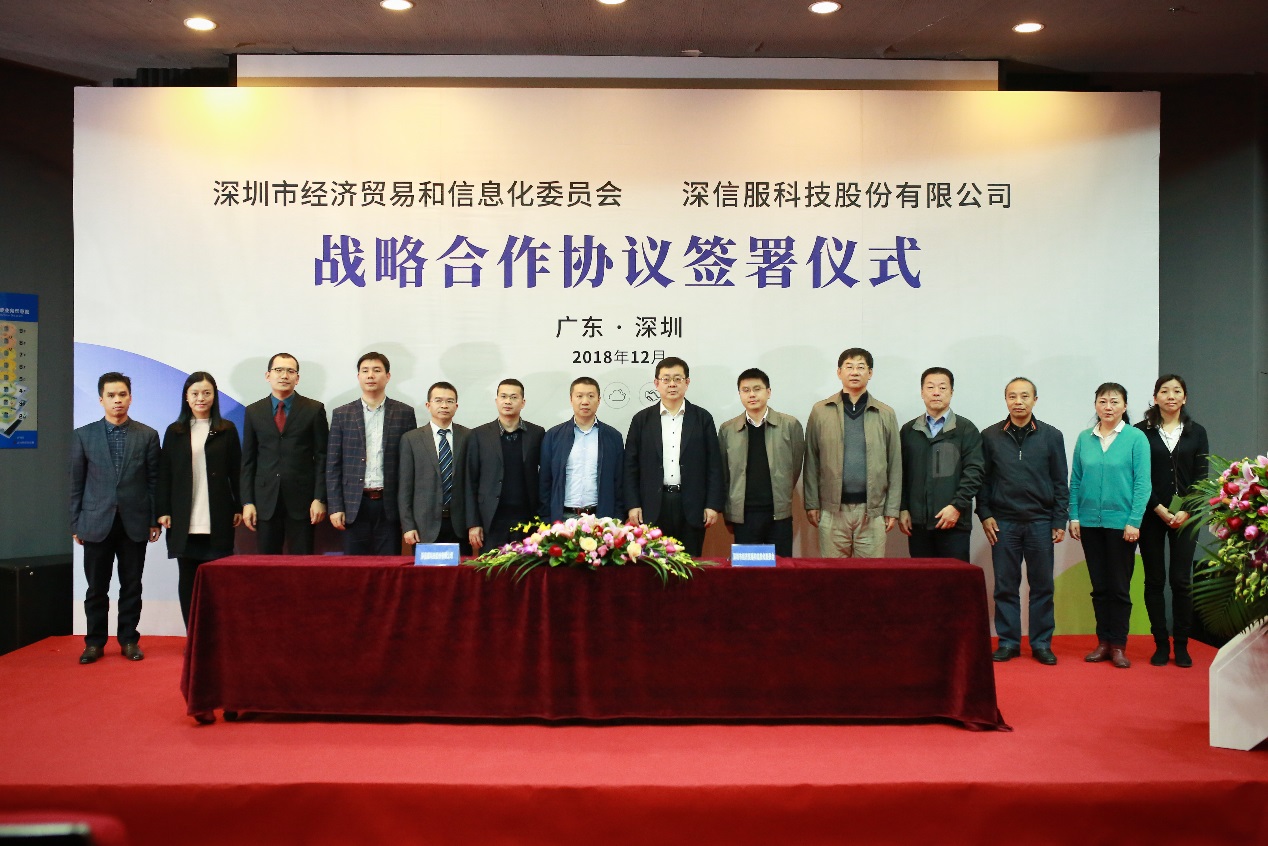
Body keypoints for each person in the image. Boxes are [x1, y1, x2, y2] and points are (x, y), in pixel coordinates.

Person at [69, 372, 161, 664]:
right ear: (101, 400)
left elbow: (154, 481)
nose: (117, 400)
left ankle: (129, 640)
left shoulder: (147, 435)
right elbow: (76, 483)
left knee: (131, 586)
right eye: (111, 395)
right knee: (96, 588)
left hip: (135, 522)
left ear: (130, 398)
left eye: (122, 394)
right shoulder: (83, 435)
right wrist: (76, 523)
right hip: (96, 522)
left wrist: (154, 519)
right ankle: (94, 643)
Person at [977, 377, 1068, 665]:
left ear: (1035, 400)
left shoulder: (1051, 436)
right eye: (1013, 396)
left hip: (1040, 521)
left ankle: (1041, 644)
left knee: (1042, 587)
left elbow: (1060, 481)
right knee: (1005, 586)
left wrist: (1059, 519)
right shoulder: (989, 436)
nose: (1018, 401)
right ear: (1005, 400)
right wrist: (985, 514)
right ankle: (1008, 642)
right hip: (1003, 522)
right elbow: (982, 480)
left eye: (1025, 396)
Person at [1070, 382, 1151, 669]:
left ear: (1124, 406)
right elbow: (1076, 480)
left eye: (1114, 401)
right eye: (1103, 401)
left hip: (1122, 525)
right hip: (1090, 523)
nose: (1108, 407)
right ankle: (1103, 642)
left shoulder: (1136, 438)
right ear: (1095, 405)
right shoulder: (1085, 438)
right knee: (1099, 587)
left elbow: (1143, 484)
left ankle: (1118, 645)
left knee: (1118, 587)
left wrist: (1134, 521)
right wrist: (1074, 516)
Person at [155, 372, 241, 627]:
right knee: (188, 581)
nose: (200, 398)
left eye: (206, 393)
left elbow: (237, 471)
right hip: (184, 519)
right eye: (195, 393)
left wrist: (239, 505)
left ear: (214, 396)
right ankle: (193, 635)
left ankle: (216, 636)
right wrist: (163, 510)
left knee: (218, 582)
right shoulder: (175, 431)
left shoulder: (227, 430)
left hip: (217, 517)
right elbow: (164, 474)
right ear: (186, 397)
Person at [1136, 374, 1208, 668]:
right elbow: (1138, 476)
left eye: (1177, 391)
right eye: (1164, 391)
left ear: (1184, 397)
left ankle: (1181, 644)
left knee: (1181, 580)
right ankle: (1160, 644)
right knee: (1154, 580)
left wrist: (1186, 510)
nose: (1171, 396)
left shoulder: (1197, 432)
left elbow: (1202, 477)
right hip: (1151, 514)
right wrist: (1157, 508)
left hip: (1186, 516)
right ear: (1155, 398)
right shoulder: (1141, 432)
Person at [803, 348, 901, 558]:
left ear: (870, 373)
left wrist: (892, 508)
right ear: (839, 372)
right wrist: (811, 503)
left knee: (870, 574)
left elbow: (895, 463)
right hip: (832, 510)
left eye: (861, 367)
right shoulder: (821, 411)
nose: (855, 372)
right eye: (849, 367)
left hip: (872, 511)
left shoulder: (885, 413)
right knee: (834, 574)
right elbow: (811, 460)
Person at [624, 357, 724, 557]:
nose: (672, 384)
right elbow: (630, 466)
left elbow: (714, 465)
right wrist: (633, 504)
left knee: (689, 563)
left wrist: (712, 505)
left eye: (678, 379)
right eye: (666, 379)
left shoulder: (702, 418)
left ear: (687, 382)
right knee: (654, 564)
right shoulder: (641, 420)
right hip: (653, 506)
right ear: (656, 383)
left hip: (692, 505)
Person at [326, 352, 417, 555]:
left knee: (389, 566)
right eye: (365, 371)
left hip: (389, 504)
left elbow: (409, 465)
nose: (370, 375)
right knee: (354, 567)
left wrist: (407, 511)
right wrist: (336, 506)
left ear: (388, 376)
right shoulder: (342, 414)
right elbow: (333, 465)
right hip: (353, 504)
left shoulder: (404, 413)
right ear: (358, 376)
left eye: (377, 370)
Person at [240, 353, 328, 554]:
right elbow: (248, 461)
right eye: (278, 370)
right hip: (265, 501)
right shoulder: (254, 411)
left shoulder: (314, 409)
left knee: (302, 563)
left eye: (290, 371)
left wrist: (319, 498)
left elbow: (322, 458)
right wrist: (247, 502)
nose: (284, 375)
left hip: (303, 501)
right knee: (267, 563)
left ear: (297, 378)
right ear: (268, 375)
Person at [898, 367, 984, 563]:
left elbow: (975, 472)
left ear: (951, 392)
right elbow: (900, 473)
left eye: (942, 388)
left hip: (954, 522)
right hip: (918, 524)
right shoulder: (909, 431)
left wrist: (956, 506)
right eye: (930, 387)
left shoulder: (966, 430)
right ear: (922, 392)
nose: (936, 392)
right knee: (922, 578)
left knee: (955, 579)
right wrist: (902, 508)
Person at [717, 367, 805, 557]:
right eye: (746, 390)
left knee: (781, 568)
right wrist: (729, 513)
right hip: (744, 515)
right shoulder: (728, 430)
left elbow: (795, 466)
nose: (752, 394)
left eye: (757, 389)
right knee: (747, 569)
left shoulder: (789, 425)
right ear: (740, 394)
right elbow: (724, 473)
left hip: (779, 513)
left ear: (768, 392)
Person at [465, 379, 544, 553]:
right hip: (491, 521)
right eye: (503, 396)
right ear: (496, 401)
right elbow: (470, 481)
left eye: (514, 397)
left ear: (523, 402)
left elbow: (546, 477)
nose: (508, 401)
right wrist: (473, 523)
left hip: (527, 520)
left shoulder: (537, 433)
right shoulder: (479, 435)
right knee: (492, 569)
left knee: (526, 568)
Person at [399, 382, 472, 554]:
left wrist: (474, 524)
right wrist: (408, 526)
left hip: (460, 526)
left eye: (449, 401)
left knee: (462, 570)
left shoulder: (469, 437)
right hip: (423, 526)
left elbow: (473, 484)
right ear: (428, 405)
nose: (444, 405)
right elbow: (405, 487)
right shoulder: (411, 439)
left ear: (456, 406)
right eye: (438, 400)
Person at [539, 377, 625, 522]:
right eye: (579, 396)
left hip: (601, 518)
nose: (585, 401)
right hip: (563, 518)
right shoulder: (553, 435)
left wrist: (617, 518)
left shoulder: (613, 437)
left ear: (599, 400)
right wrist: (546, 519)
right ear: (571, 399)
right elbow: (545, 481)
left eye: (591, 396)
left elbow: (619, 482)